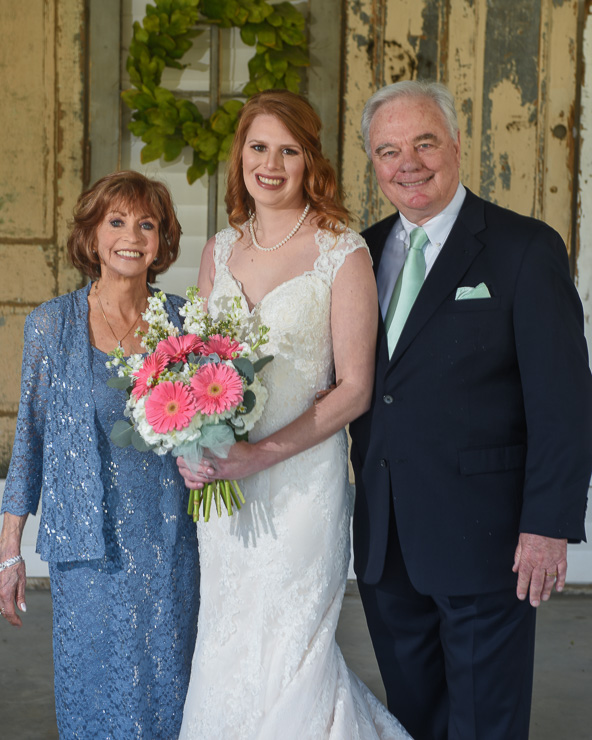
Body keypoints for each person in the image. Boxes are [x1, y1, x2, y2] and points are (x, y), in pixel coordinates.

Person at [348, 79, 592, 740]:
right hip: (387, 540)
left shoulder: (524, 249)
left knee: (486, 723)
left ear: (457, 145)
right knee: (412, 717)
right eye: (388, 151)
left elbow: (564, 403)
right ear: (373, 162)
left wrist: (547, 525)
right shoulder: (358, 254)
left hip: (489, 539)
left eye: (424, 143)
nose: (407, 164)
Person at [176, 90, 411, 739]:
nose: (271, 164)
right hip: (223, 488)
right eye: (259, 147)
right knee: (227, 640)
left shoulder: (342, 252)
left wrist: (259, 454)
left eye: (288, 150)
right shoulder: (220, 249)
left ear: (311, 160)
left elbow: (355, 389)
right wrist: (192, 447)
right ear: (240, 155)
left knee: (290, 650)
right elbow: (193, 368)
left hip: (302, 484)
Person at [0, 171, 200, 738]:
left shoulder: (183, 324)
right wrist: (9, 552)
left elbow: (214, 426)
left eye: (147, 224)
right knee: (91, 693)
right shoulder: (50, 324)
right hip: (85, 553)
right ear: (91, 236)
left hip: (170, 543)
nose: (131, 236)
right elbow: (30, 441)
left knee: (168, 690)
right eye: (116, 221)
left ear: (161, 241)